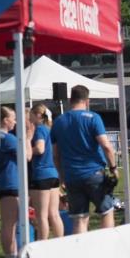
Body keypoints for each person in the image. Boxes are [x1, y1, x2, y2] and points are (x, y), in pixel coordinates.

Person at [51, 85, 119, 233]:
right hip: (93, 173)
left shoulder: (58, 121)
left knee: (79, 219)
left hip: (72, 176)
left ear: (70, 100)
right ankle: (106, 247)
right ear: (87, 101)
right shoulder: (93, 118)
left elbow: (56, 155)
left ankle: (81, 251)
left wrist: (61, 176)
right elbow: (106, 146)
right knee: (106, 212)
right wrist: (113, 168)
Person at [0, 106, 30, 258]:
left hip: (6, 182)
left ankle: (13, 255)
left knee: (11, 222)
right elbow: (27, 155)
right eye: (13, 118)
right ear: (5, 120)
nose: (15, 121)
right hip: (9, 183)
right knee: (10, 223)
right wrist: (28, 136)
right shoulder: (7, 138)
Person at [28, 104, 64, 241]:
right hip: (53, 174)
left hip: (41, 174)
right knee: (54, 213)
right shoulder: (50, 130)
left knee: (42, 215)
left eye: (31, 114)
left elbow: (40, 148)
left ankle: (42, 244)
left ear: (37, 115)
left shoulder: (40, 130)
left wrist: (28, 149)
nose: (29, 117)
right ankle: (60, 242)